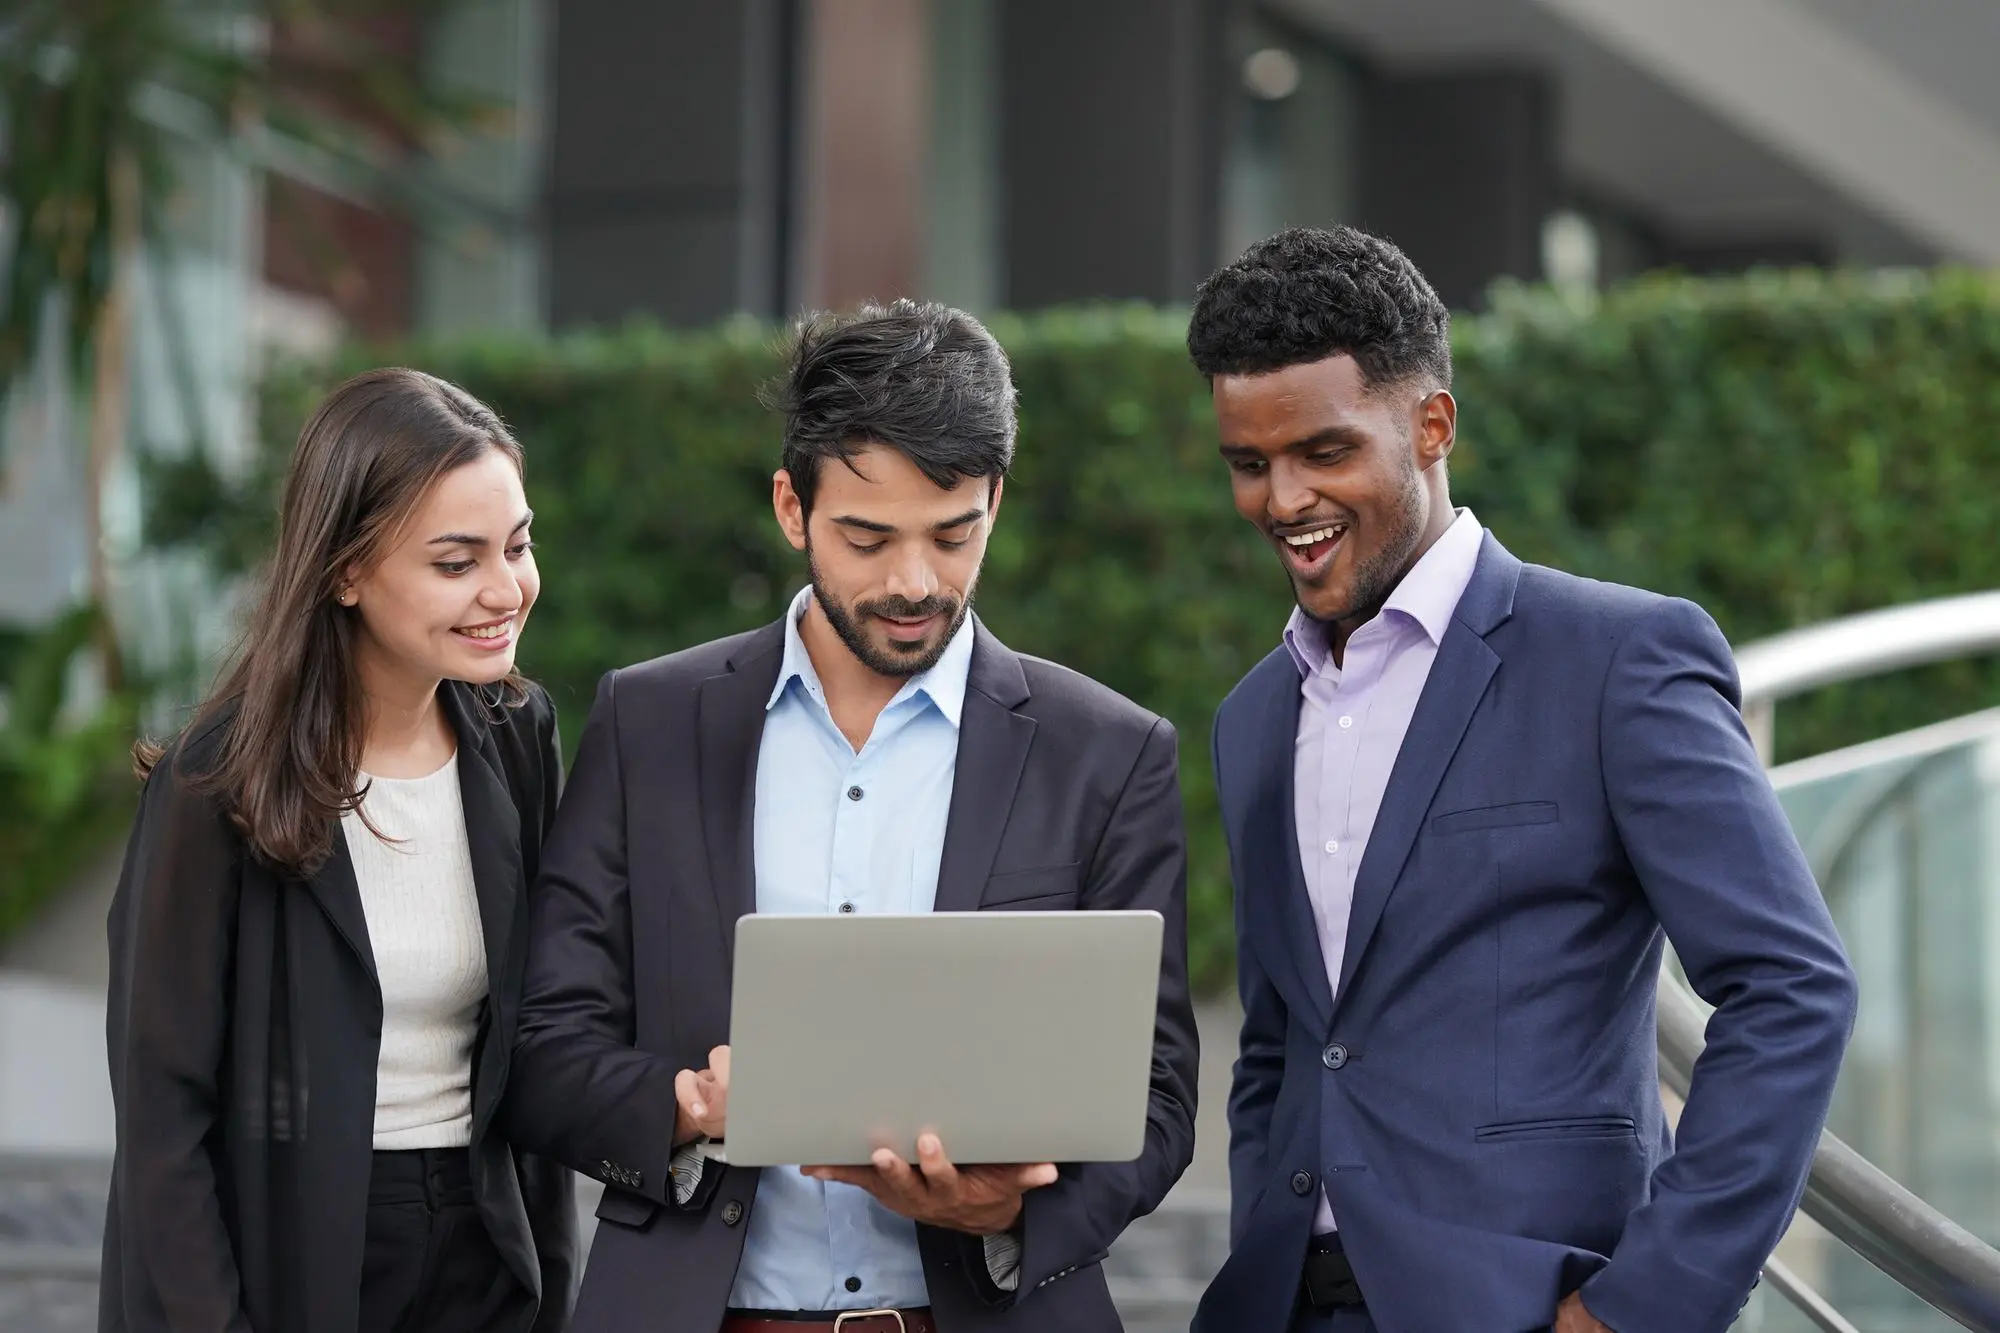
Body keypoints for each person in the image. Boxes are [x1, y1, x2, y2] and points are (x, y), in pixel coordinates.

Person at [1184, 228, 1858, 1333]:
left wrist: (1644, 1305)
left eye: (1323, 451)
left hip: (1532, 1307)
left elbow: (1792, 989)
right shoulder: (1255, 715)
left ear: (1432, 426)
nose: (1283, 498)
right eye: (1249, 464)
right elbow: (1280, 1044)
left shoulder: (1618, 659)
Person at [503, 299, 1199, 1333]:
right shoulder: (649, 720)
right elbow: (544, 1040)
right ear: (792, 507)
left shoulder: (1106, 750)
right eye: (867, 538)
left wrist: (1010, 1210)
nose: (913, 582)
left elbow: (1158, 1093)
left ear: (995, 503)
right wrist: (690, 1108)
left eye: (953, 535)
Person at [102, 368, 577, 1333]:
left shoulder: (517, 735)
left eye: (518, 546)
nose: (505, 589)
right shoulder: (216, 783)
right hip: (294, 1251)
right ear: (345, 571)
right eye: (456, 561)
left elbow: (532, 1036)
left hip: (483, 1248)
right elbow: (162, 1123)